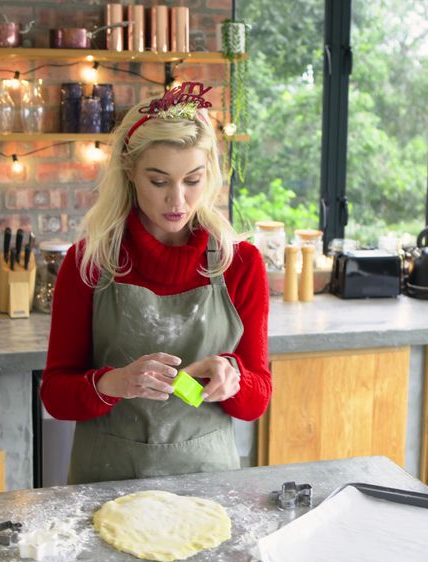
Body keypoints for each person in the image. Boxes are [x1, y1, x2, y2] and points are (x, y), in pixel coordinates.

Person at [41, 82, 272, 484]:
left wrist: (232, 376)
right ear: (130, 172)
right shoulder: (89, 262)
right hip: (105, 481)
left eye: (193, 180)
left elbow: (256, 402)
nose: (178, 201)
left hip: (207, 480)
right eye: (159, 181)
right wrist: (114, 382)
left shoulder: (241, 264)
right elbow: (55, 396)